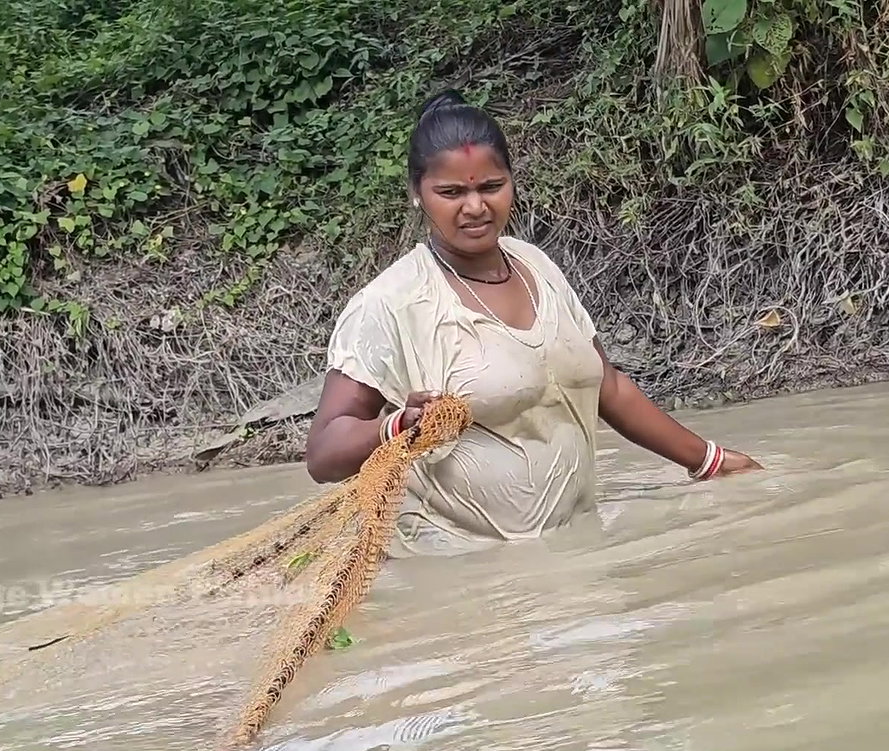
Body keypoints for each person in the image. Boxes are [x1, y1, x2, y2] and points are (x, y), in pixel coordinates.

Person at [304, 90, 762, 556]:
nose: (475, 206)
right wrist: (399, 425)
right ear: (417, 193)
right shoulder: (391, 303)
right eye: (451, 192)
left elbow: (609, 388)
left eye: (490, 186)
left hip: (575, 549)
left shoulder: (535, 265)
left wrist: (711, 461)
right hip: (458, 570)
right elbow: (323, 454)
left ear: (512, 183)